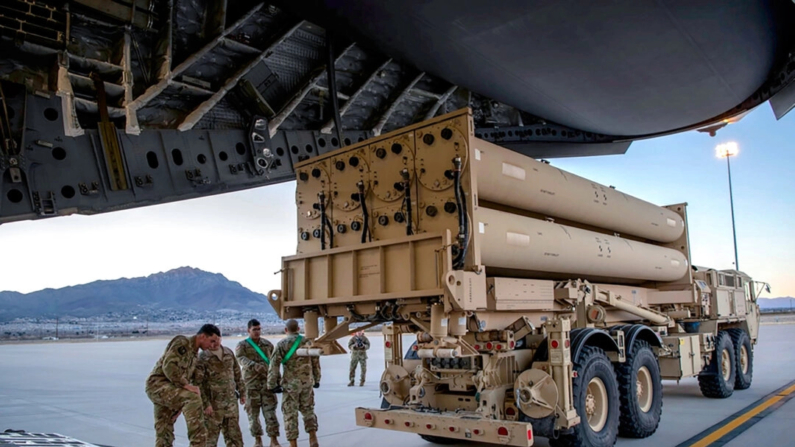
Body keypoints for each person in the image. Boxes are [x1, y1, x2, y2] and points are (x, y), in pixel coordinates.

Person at [145, 324, 220, 447]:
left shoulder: (194, 354)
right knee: (193, 398)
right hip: (158, 385)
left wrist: (179, 406)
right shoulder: (182, 342)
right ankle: (198, 443)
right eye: (211, 341)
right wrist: (186, 386)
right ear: (202, 336)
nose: (212, 346)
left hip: (170, 389)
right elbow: (169, 366)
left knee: (164, 429)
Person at [267, 319, 321, 447]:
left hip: (290, 385)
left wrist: (272, 384)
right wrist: (317, 379)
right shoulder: (307, 342)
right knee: (308, 410)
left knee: (290, 415)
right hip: (306, 383)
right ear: (298, 329)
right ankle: (313, 438)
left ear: (286, 330)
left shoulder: (281, 344)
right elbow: (315, 362)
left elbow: (274, 365)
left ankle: (293, 444)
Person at [235, 319, 281, 447]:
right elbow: (240, 358)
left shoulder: (267, 344)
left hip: (267, 385)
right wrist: (253, 365)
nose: (257, 332)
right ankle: (258, 440)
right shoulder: (242, 345)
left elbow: (274, 363)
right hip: (251, 385)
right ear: (248, 330)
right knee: (253, 415)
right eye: (254, 329)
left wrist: (277, 380)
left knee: (270, 413)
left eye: (259, 329)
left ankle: (274, 440)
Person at [197, 333, 245, 447]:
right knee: (210, 439)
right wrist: (205, 404)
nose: (214, 344)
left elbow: (237, 374)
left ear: (220, 338)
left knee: (235, 438)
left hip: (230, 404)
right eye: (211, 341)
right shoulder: (202, 357)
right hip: (213, 406)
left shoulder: (228, 353)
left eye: (216, 340)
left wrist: (242, 392)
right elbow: (198, 383)